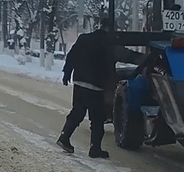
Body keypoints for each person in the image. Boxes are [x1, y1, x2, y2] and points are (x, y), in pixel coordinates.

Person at [58, 18, 140, 158]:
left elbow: (71, 56)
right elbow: (128, 55)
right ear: (111, 29)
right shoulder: (108, 43)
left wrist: (67, 73)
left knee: (77, 112)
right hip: (96, 86)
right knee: (97, 119)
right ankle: (95, 149)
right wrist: (146, 59)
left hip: (79, 82)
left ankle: (64, 138)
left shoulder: (84, 39)